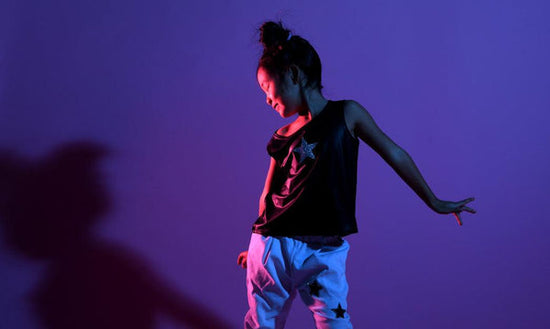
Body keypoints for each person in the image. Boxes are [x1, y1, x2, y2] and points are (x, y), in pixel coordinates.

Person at [237, 21, 476, 329]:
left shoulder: (347, 114)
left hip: (322, 252)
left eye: (267, 89)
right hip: (273, 249)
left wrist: (434, 200)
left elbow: (395, 153)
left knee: (336, 323)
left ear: (293, 75)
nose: (267, 100)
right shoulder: (282, 135)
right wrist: (259, 245)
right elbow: (268, 196)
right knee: (262, 325)